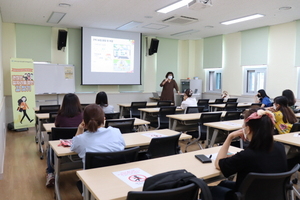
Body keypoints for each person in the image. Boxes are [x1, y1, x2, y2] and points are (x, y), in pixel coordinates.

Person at [213, 108, 287, 200]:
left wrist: (229, 137)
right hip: (271, 194)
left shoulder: (247, 155)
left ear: (248, 129)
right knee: (223, 184)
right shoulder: (280, 147)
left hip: (245, 196)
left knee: (209, 190)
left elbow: (218, 164)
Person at [46, 93, 83, 187]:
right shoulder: (82, 116)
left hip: (62, 147)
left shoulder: (60, 116)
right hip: (79, 147)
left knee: (50, 147)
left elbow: (56, 126)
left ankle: (50, 173)